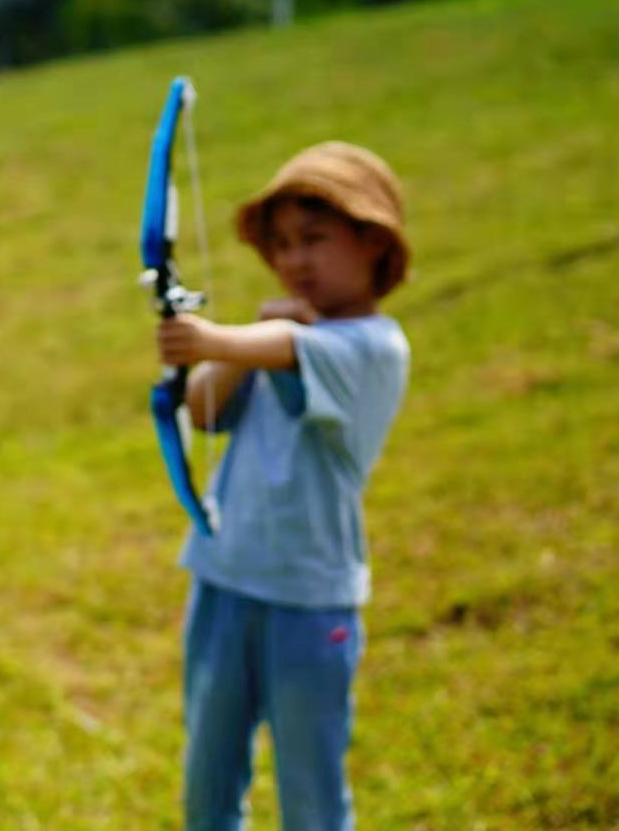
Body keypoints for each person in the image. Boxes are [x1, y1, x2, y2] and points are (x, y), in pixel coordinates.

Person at [156, 141, 412, 830]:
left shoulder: (375, 345)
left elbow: (298, 353)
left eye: (315, 240)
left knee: (311, 792)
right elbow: (205, 411)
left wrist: (219, 337)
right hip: (224, 579)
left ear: (371, 243)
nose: (295, 260)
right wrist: (235, 344)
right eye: (282, 245)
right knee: (207, 779)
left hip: (308, 597)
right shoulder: (273, 336)